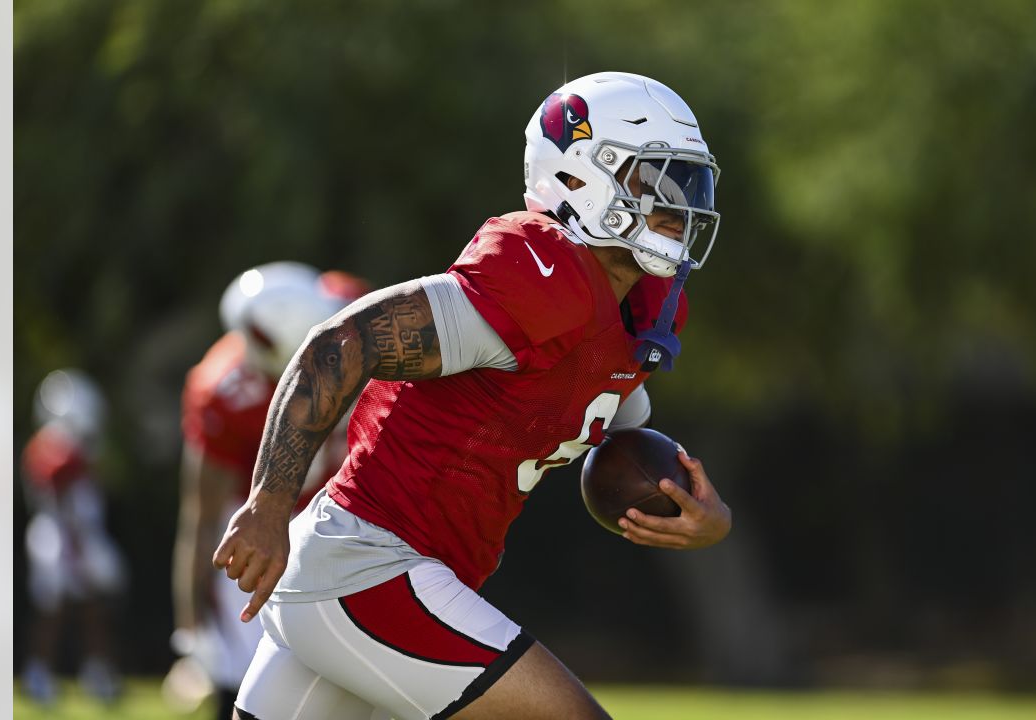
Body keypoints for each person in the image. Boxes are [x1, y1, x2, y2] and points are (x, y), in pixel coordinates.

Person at [217, 71, 733, 720]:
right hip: (364, 564)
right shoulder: (541, 275)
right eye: (655, 181)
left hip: (378, 575)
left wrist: (693, 507)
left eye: (688, 182)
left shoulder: (651, 308)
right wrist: (267, 502)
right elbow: (341, 343)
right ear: (576, 177)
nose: (677, 205)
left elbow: (619, 429)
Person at [170, 263, 369, 720]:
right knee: (248, 669)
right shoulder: (222, 389)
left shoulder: (354, 306)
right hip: (264, 522)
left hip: (352, 506)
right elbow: (201, 514)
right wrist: (190, 628)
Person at [19, 369, 127, 705]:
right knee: (52, 610)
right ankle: (38, 674)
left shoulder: (79, 447)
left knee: (93, 606)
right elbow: (56, 484)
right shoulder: (50, 445)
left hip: (79, 535)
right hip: (58, 536)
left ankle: (97, 672)